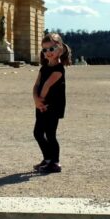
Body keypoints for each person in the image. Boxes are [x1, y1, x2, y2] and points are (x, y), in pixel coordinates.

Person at [31, 32, 71, 174]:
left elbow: (47, 85)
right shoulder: (43, 67)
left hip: (53, 105)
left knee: (50, 134)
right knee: (38, 133)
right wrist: (36, 99)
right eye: (45, 50)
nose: (48, 52)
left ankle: (55, 162)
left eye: (51, 49)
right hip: (41, 104)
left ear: (59, 48)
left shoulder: (59, 69)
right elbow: (37, 85)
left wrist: (40, 101)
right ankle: (48, 158)